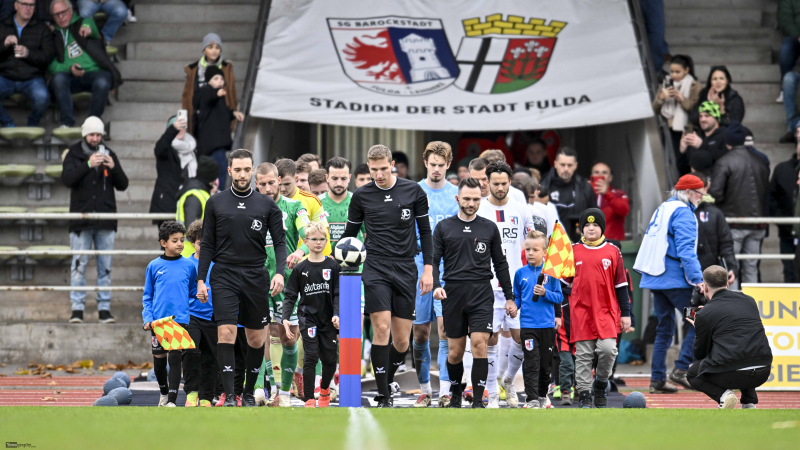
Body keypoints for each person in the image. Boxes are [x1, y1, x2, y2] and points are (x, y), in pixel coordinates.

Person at [342, 144, 433, 408]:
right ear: (368, 168)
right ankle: (383, 395)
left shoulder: (413, 191)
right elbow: (350, 237)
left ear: (392, 164)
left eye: (383, 168)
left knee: (403, 341)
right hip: (376, 267)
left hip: (406, 268)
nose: (379, 175)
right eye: (374, 170)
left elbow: (425, 233)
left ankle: (386, 378)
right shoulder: (361, 196)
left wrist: (428, 268)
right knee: (381, 329)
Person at [196, 149, 287, 407]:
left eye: (247, 169)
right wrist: (201, 279)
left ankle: (248, 393)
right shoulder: (215, 202)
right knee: (225, 332)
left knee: (256, 339)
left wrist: (279, 272)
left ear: (252, 170)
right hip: (224, 274)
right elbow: (208, 244)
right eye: (238, 170)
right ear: (229, 171)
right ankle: (229, 395)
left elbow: (280, 243)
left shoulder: (267, 205)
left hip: (255, 276)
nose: (243, 174)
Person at [432, 177, 514, 409]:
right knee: (455, 353)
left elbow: (500, 264)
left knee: (479, 344)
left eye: (476, 199)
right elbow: (434, 260)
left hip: (481, 293)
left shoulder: (489, 227)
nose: (471, 203)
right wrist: (437, 285)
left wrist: (509, 297)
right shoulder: (444, 227)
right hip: (453, 294)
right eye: (467, 199)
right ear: (458, 199)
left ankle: (479, 401)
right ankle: (456, 396)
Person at [634, 174, 704, 394]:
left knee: (664, 329)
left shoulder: (665, 207)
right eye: (700, 194)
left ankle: (656, 379)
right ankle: (681, 369)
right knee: (698, 322)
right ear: (689, 193)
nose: (701, 198)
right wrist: (698, 279)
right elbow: (685, 250)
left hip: (656, 277)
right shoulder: (683, 213)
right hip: (674, 278)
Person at [476, 161, 534, 408]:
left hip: (516, 288)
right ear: (487, 182)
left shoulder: (522, 210)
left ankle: (508, 381)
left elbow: (535, 244)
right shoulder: (479, 210)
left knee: (521, 337)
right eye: (495, 183)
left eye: (504, 183)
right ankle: (490, 392)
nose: (500, 188)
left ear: (510, 182)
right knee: (491, 338)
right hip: (487, 286)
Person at [61, 116, 128, 324]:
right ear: (85, 134)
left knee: (105, 267)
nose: (95, 138)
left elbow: (123, 184)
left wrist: (113, 166)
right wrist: (88, 165)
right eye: (92, 134)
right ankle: (77, 309)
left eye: (98, 134)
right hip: (81, 219)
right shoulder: (74, 153)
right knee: (79, 266)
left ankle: (104, 310)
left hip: (105, 219)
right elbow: (67, 179)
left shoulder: (109, 153)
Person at [254, 161, 309, 407]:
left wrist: (300, 251)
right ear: (257, 185)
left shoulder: (295, 207)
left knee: (289, 338)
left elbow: (309, 234)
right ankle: (258, 389)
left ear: (280, 181)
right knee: (258, 335)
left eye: (271, 182)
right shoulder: (249, 209)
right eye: (262, 184)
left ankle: (283, 394)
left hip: (287, 282)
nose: (267, 188)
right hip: (256, 280)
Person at [566, 209, 630, 408]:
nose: (591, 228)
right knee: (583, 355)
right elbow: (563, 282)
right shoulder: (573, 251)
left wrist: (626, 313)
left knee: (608, 350)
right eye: (586, 225)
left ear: (602, 227)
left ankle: (601, 384)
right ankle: (584, 394)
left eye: (595, 225)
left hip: (606, 311)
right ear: (581, 229)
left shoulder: (613, 251)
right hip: (581, 312)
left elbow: (621, 285)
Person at [411, 141, 458, 408]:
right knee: (420, 334)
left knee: (445, 331)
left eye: (442, 165)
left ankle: (444, 391)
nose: (437, 169)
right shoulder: (414, 191)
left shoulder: (456, 194)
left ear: (448, 165)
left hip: (447, 271)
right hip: (417, 269)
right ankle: (424, 388)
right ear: (425, 163)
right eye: (433, 164)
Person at [687, 266, 773, 409]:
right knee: (744, 347)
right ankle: (749, 402)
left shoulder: (704, 314)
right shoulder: (749, 300)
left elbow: (700, 353)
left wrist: (700, 326)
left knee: (692, 373)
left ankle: (724, 396)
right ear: (728, 284)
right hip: (764, 370)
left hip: (734, 373)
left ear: (705, 288)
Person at [281, 222, 340, 408]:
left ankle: (324, 389)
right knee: (311, 356)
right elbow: (290, 295)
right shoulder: (300, 269)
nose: (318, 242)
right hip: (308, 319)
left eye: (322, 239)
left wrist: (337, 314)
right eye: (314, 239)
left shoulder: (333, 265)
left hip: (328, 320)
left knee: (330, 360)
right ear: (306, 241)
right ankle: (308, 398)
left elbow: (338, 293)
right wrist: (285, 318)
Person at [141, 220, 197, 407]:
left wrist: (199, 297)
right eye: (175, 240)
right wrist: (148, 319)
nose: (180, 244)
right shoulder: (154, 266)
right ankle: (164, 393)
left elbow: (191, 292)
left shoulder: (189, 265)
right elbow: (147, 296)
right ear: (163, 243)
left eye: (182, 240)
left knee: (175, 357)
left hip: (179, 320)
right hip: (158, 322)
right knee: (159, 361)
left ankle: (172, 401)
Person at [709, 122, 770, 288]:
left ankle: (733, 308)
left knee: (730, 269)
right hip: (757, 224)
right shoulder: (761, 161)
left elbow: (715, 194)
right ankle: (752, 306)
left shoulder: (724, 162)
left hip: (733, 223)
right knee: (751, 268)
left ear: (728, 142)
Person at [48, 0, 120, 128]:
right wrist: (69, 68)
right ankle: (67, 123)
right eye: (56, 14)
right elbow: (51, 64)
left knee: (103, 81)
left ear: (70, 11)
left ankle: (92, 123)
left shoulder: (83, 23)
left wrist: (87, 26)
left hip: (93, 74)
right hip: (70, 76)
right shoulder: (51, 34)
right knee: (58, 79)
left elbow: (90, 26)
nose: (61, 17)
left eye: (63, 12)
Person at [514, 230, 563, 409]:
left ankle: (542, 396)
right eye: (528, 249)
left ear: (545, 252)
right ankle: (531, 398)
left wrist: (545, 293)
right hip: (527, 325)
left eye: (535, 250)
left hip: (547, 325)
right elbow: (518, 297)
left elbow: (559, 297)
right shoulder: (520, 273)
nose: (530, 253)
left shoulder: (551, 274)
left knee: (545, 365)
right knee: (531, 362)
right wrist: (513, 307)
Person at [182, 219, 219, 407]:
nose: (204, 247)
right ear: (192, 242)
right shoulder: (187, 264)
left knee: (211, 357)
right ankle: (191, 393)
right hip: (193, 315)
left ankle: (206, 397)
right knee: (191, 351)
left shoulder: (218, 263)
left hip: (214, 316)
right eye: (199, 243)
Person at [0, 0, 54, 127]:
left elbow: (47, 57)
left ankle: (32, 124)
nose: (28, 8)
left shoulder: (42, 29)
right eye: (24, 4)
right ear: (16, 5)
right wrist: (4, 45)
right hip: (6, 76)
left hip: (32, 78)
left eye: (32, 5)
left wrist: (29, 54)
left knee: (43, 97)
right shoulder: (3, 26)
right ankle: (8, 124)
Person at [193, 65, 244, 187]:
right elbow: (206, 99)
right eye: (216, 78)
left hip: (215, 143)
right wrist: (216, 93)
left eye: (221, 79)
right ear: (208, 80)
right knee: (221, 170)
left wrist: (233, 113)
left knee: (220, 170)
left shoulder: (218, 97)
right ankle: (219, 192)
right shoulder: (206, 91)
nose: (220, 81)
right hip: (214, 143)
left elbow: (222, 112)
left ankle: (217, 191)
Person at [275, 158, 332, 259]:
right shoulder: (268, 201)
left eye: (287, 184)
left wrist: (324, 261)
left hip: (305, 263)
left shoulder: (312, 200)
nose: (283, 189)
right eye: (279, 184)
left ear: (295, 179)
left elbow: (323, 234)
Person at [540, 147, 598, 242]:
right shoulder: (544, 185)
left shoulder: (584, 187)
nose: (566, 169)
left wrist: (586, 228)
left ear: (575, 166)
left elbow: (595, 214)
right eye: (562, 165)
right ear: (555, 164)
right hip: (550, 245)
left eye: (569, 165)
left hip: (579, 243)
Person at [182, 33, 236, 134]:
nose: (214, 51)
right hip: (200, 116)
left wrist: (232, 122)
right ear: (204, 50)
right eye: (210, 47)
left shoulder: (227, 67)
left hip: (220, 115)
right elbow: (186, 97)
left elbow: (232, 93)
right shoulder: (193, 69)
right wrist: (185, 122)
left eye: (217, 47)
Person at [150, 115, 196, 225]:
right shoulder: (166, 149)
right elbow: (159, 148)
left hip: (187, 203)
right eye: (176, 126)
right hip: (167, 203)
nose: (180, 129)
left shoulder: (193, 149)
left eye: (182, 126)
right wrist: (173, 130)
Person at [653, 55, 702, 156]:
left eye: (677, 72)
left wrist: (682, 99)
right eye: (672, 71)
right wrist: (661, 98)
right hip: (669, 129)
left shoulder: (695, 85)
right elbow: (655, 109)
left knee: (685, 160)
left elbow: (696, 109)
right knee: (673, 159)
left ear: (686, 70)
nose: (674, 75)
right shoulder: (666, 84)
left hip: (688, 128)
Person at [692, 172, 738, 281]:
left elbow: (726, 243)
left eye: (700, 188)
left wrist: (731, 267)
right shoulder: (679, 211)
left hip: (709, 277)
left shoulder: (715, 213)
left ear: (706, 189)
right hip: (684, 278)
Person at [769, 127, 800, 282]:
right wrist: (781, 220)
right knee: (789, 270)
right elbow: (771, 196)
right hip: (787, 232)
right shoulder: (782, 169)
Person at [176, 156, 219, 257]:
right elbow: (191, 228)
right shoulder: (195, 195)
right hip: (189, 254)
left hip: (197, 253)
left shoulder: (201, 193)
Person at [678, 101, 727, 175]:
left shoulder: (725, 135)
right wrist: (682, 152)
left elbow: (723, 161)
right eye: (700, 116)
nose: (702, 119)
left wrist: (702, 146)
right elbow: (683, 169)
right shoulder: (697, 136)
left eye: (707, 116)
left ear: (716, 118)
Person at [590, 162, 629, 241]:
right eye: (596, 172)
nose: (600, 176)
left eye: (604, 173)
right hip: (589, 244)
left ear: (610, 177)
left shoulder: (619, 194)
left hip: (612, 244)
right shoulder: (584, 194)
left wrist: (607, 194)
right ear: (591, 177)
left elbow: (624, 210)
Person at [778, 0, 800, 103]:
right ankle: (785, 90)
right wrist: (797, 35)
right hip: (795, 36)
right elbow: (784, 19)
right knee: (786, 50)